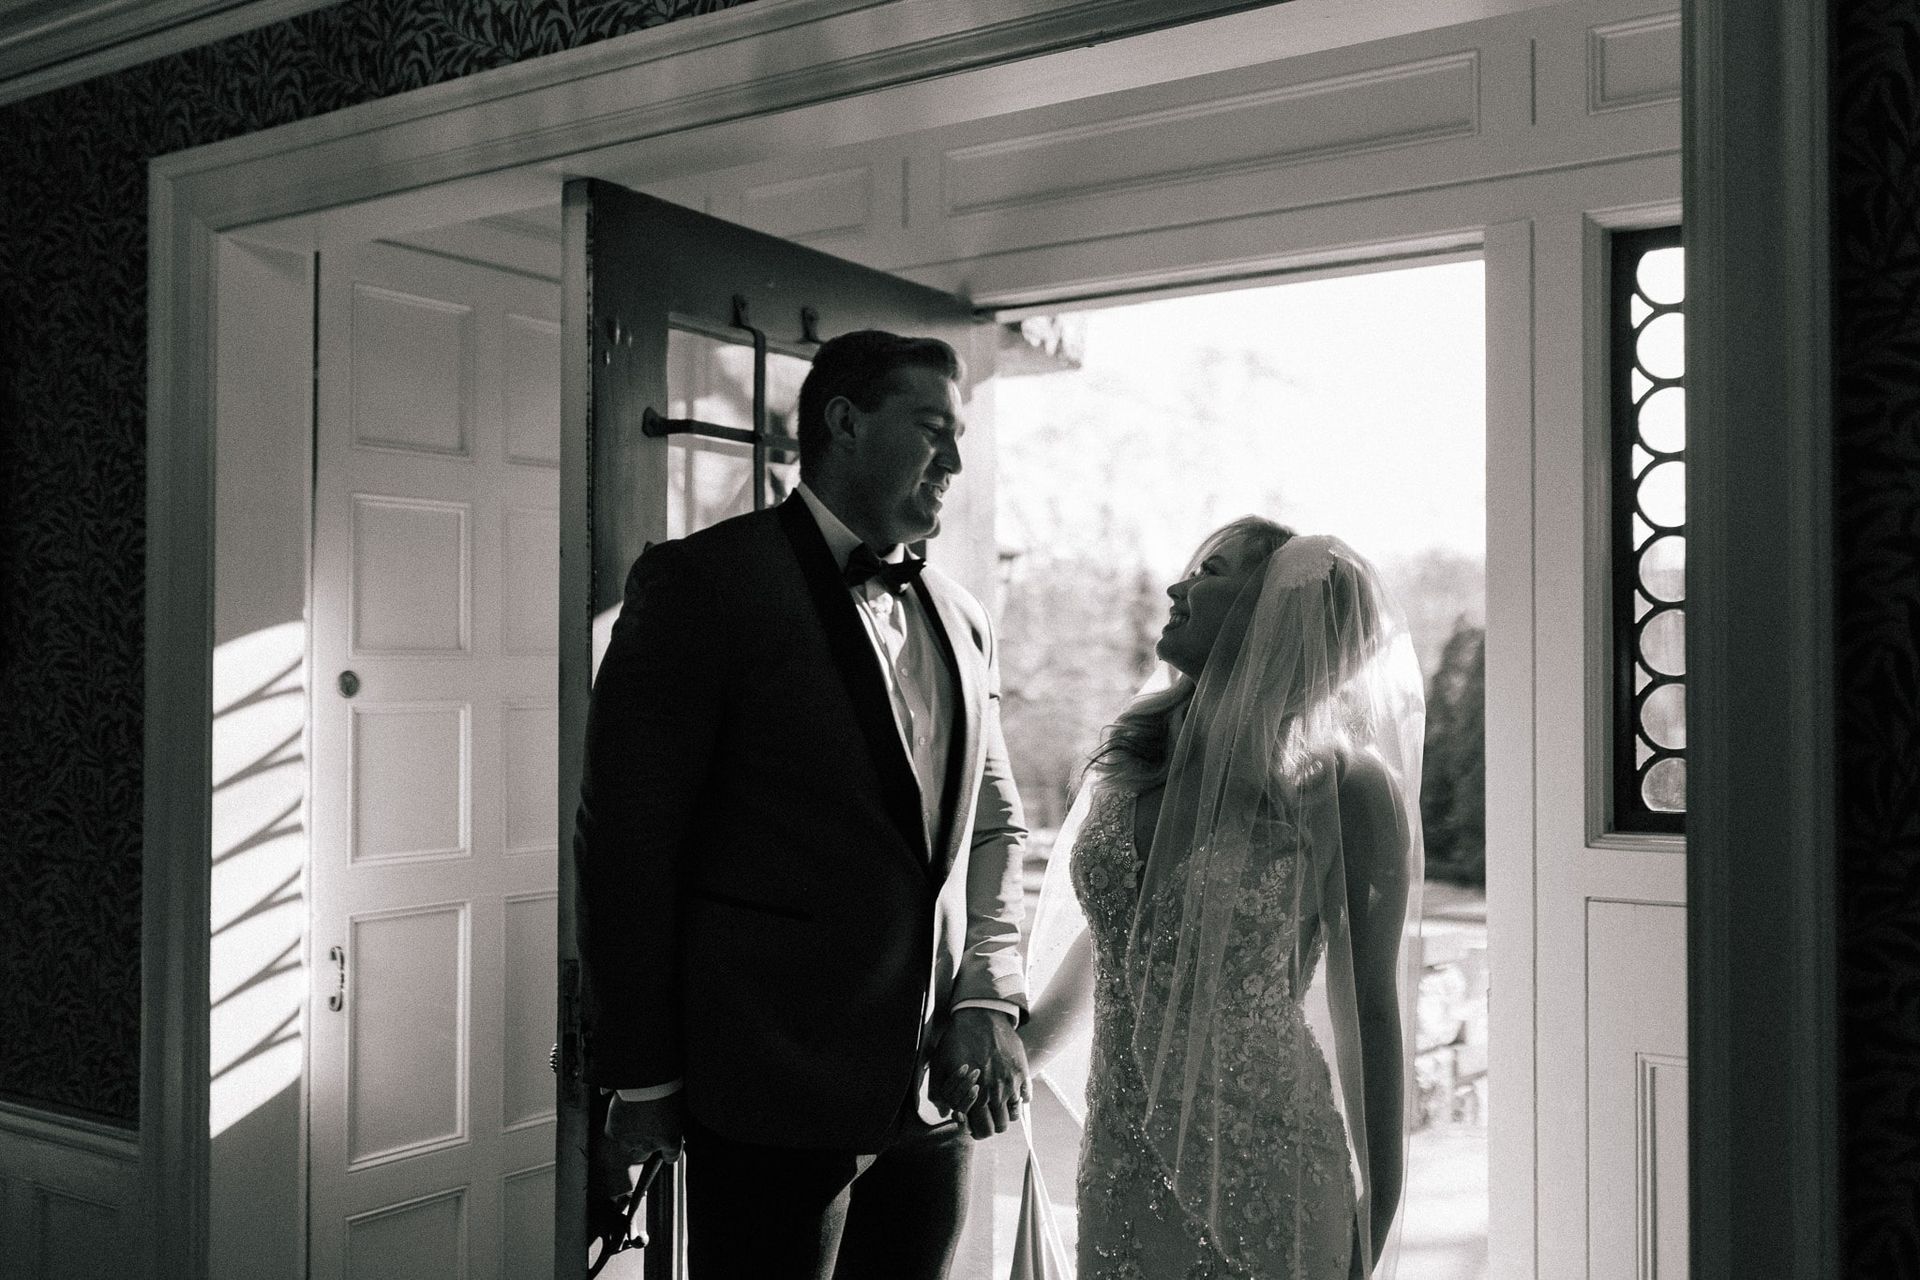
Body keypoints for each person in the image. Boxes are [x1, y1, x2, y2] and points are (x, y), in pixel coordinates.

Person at [574, 330, 1031, 1279]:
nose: (953, 459)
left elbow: (992, 826)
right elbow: (627, 844)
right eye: (931, 429)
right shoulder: (703, 585)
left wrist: (987, 993)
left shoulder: (963, 615)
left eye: (962, 435)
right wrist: (644, 1072)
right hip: (766, 1089)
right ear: (845, 423)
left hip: (929, 1098)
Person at [1019, 518, 1426, 1279]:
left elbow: (1368, 1007)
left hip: (1267, 1164)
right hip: (1119, 1164)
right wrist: (1026, 1043)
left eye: (1210, 572)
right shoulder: (1135, 760)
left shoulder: (1345, 788)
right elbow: (1121, 936)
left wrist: (1382, 1200)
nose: (1177, 587)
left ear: (1273, 612)